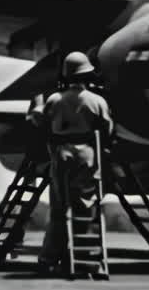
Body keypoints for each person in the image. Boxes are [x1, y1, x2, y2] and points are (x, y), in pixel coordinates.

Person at [28, 51, 114, 275]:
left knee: (59, 208)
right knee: (85, 206)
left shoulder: (54, 100)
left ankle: (49, 258)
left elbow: (43, 124)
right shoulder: (97, 101)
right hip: (86, 156)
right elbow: (108, 129)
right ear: (86, 75)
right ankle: (85, 259)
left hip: (61, 155)